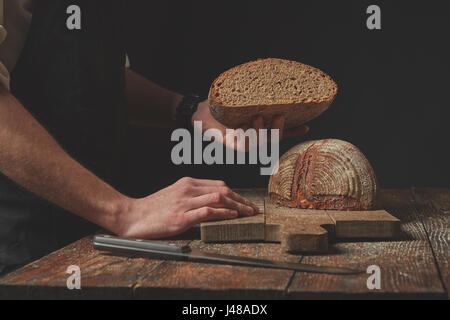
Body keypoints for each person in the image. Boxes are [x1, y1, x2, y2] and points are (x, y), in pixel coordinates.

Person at [0, 0, 308, 274]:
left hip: (97, 239)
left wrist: (190, 110)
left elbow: (91, 77)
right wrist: (123, 211)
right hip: (23, 254)